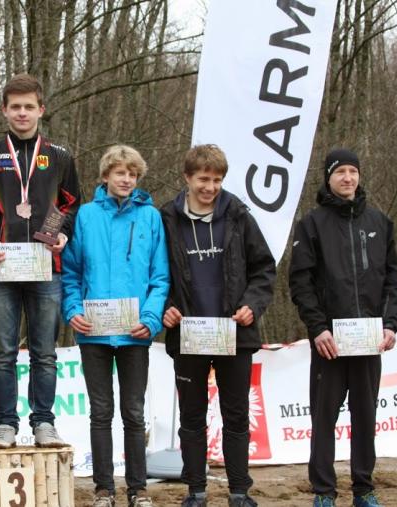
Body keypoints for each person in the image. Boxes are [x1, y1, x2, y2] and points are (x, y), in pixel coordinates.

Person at [0, 73, 80, 448]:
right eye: (15, 106)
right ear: (4, 110)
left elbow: (70, 203)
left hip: (46, 265)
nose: (22, 113)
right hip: (1, 265)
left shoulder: (60, 157)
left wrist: (59, 234)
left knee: (44, 353)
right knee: (3, 353)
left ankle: (44, 422)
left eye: (29, 106)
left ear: (41, 109)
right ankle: (4, 424)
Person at [161, 145, 275, 507]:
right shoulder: (166, 218)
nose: (209, 187)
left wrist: (252, 305)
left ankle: (240, 491)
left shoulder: (239, 215)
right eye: (203, 179)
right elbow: (155, 273)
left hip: (234, 335)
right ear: (187, 178)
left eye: (216, 180)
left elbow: (264, 268)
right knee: (192, 417)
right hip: (189, 335)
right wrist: (165, 307)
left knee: (236, 415)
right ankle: (195, 491)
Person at [289, 149, 397, 507]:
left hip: (369, 342)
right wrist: (318, 328)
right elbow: (301, 283)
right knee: (323, 418)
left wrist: (390, 324)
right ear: (329, 177)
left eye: (353, 171)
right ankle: (324, 492)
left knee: (366, 417)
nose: (348, 178)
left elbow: (393, 280)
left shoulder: (380, 222)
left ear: (359, 176)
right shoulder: (311, 224)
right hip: (330, 343)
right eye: (340, 172)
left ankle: (364, 489)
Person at [61, 145, 169, 507]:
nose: (126, 179)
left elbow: (160, 277)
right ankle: (104, 489)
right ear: (105, 175)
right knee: (101, 412)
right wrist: (72, 309)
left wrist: (151, 319)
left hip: (135, 333)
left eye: (132, 174)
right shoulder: (85, 216)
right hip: (93, 331)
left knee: (134, 413)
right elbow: (71, 272)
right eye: (120, 172)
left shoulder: (151, 217)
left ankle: (138, 489)